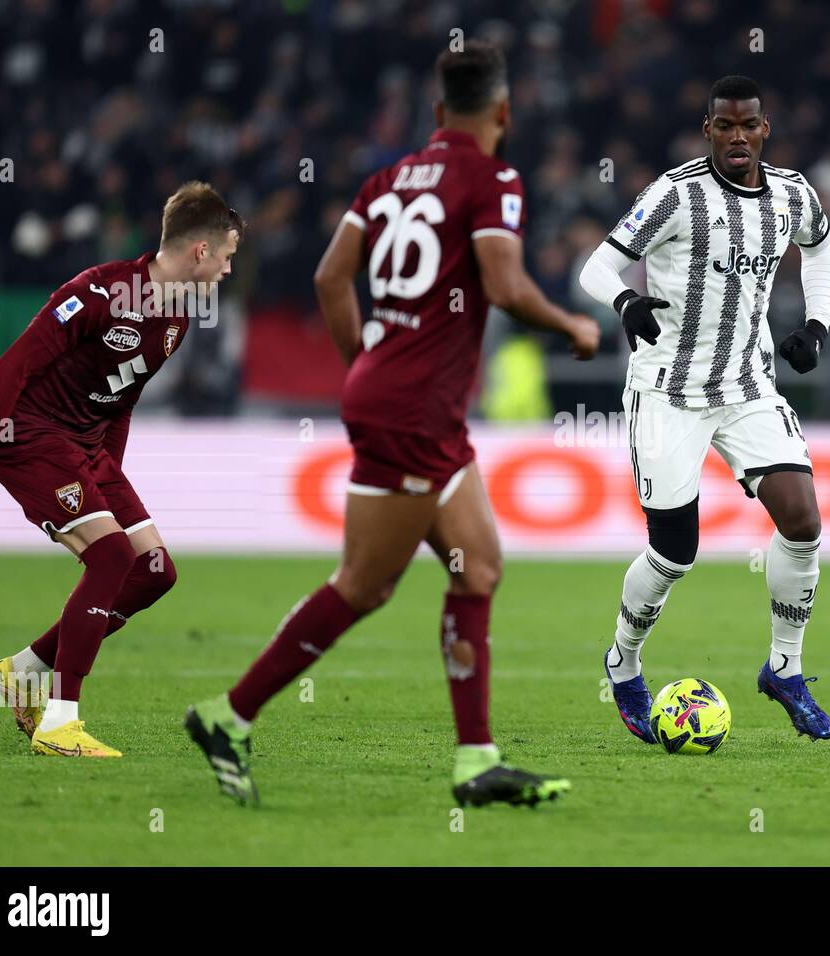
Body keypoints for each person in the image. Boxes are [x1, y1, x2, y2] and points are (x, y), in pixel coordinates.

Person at [185, 41, 600, 807]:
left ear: (438, 112)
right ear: (503, 113)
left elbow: (328, 275)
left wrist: (364, 360)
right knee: (364, 586)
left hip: (414, 403)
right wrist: (570, 322)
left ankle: (476, 762)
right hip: (412, 410)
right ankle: (228, 715)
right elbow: (505, 285)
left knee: (476, 568)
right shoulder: (494, 177)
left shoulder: (387, 179)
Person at [578, 75, 830, 744]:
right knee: (674, 550)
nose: (738, 137)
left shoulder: (792, 194)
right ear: (709, 132)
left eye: (748, 125)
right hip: (668, 391)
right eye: (725, 126)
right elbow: (596, 268)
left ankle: (786, 668)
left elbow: (820, 244)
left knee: (803, 518)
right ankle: (624, 662)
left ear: (764, 130)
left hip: (748, 386)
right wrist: (627, 302)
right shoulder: (675, 194)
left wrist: (817, 324)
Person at [0, 182, 242, 757]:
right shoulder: (100, 290)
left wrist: (109, 475)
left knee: (155, 571)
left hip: (89, 448)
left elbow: (124, 399)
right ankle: (61, 724)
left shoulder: (176, 320)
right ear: (200, 252)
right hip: (32, 437)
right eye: (229, 256)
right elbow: (12, 369)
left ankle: (23, 670)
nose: (229, 271)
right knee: (112, 556)